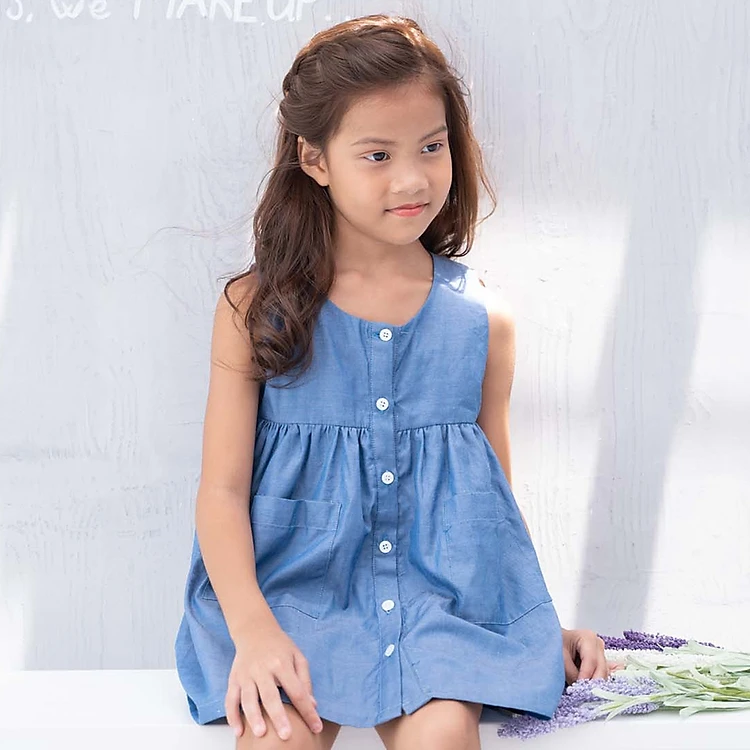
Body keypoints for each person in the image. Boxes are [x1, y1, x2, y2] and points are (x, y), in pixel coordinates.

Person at [174, 13, 618, 749]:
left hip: (438, 615)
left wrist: (533, 622)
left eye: (432, 147)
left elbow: (489, 510)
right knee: (278, 737)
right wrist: (253, 632)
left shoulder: (483, 320)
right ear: (315, 159)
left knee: (444, 736)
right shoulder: (256, 311)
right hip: (286, 606)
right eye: (377, 154)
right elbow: (220, 492)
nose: (413, 179)